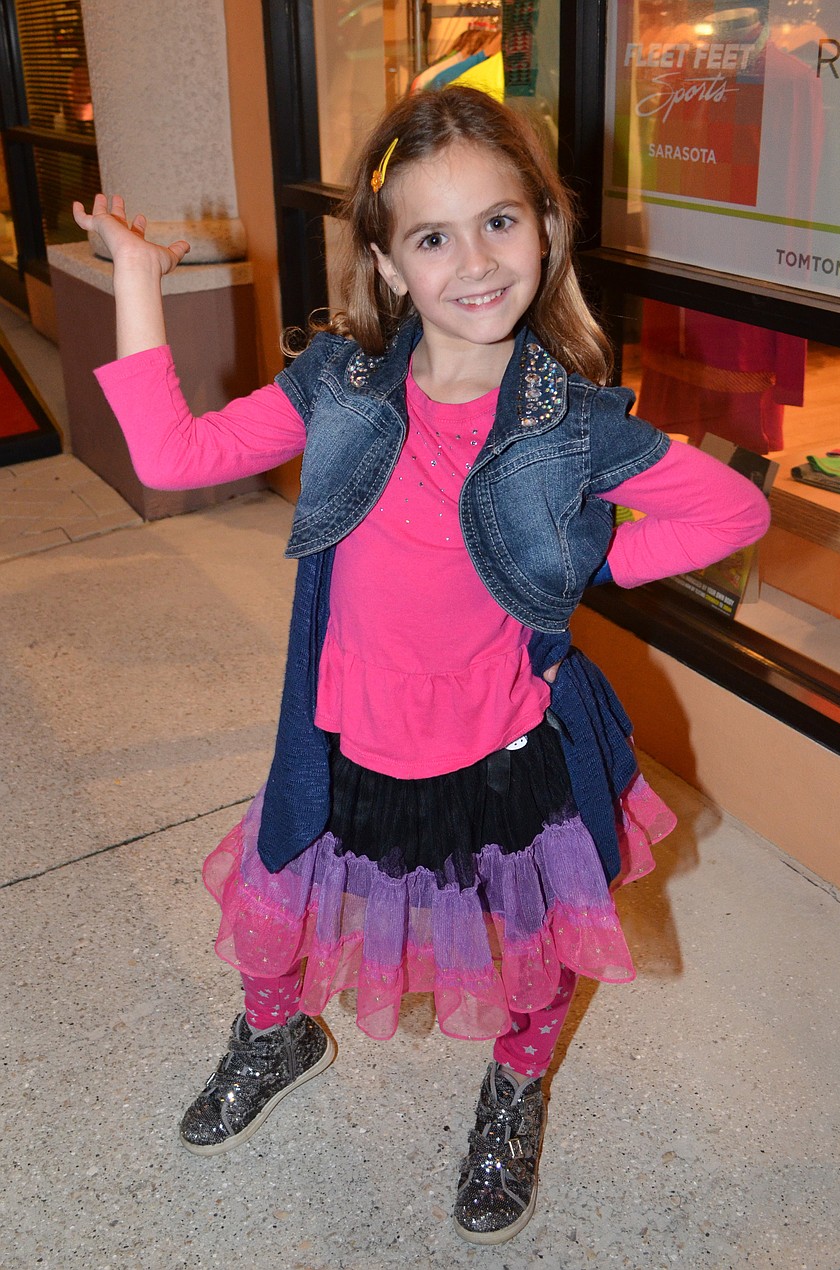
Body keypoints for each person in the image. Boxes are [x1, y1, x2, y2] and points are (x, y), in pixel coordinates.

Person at [73, 86, 769, 1247]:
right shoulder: (337, 388)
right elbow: (171, 450)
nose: (475, 261)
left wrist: (583, 553)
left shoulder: (575, 422)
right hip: (344, 736)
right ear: (390, 266)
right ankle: (275, 1030)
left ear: (545, 228)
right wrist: (137, 277)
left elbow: (732, 510)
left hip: (504, 751)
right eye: (432, 236)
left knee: (535, 953)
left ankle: (513, 1085)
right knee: (278, 913)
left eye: (500, 221)